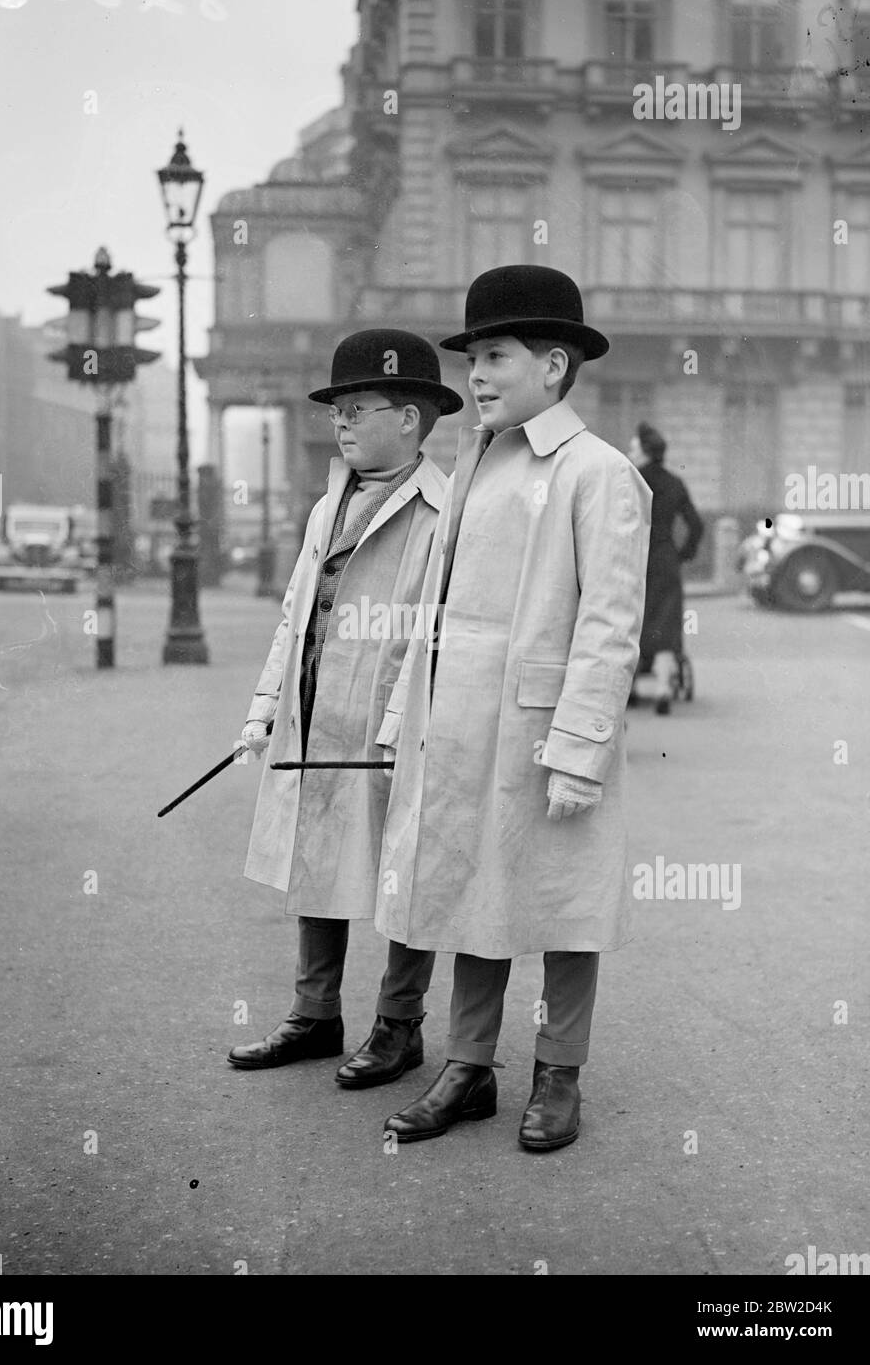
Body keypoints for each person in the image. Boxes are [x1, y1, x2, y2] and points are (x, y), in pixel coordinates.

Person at [374, 266, 651, 1150]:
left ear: (556, 366)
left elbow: (610, 626)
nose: (476, 376)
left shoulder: (598, 473)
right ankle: (468, 1068)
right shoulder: (472, 464)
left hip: (543, 734)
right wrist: (399, 721)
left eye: (495, 355)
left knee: (566, 904)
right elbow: (437, 609)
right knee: (472, 891)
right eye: (471, 358)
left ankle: (560, 1075)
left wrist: (579, 747)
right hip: (457, 729)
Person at [228, 330, 464, 1090]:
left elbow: (432, 636)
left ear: (411, 416)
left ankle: (400, 1027)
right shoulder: (327, 504)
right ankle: (315, 1014)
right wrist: (264, 710)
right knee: (316, 857)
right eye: (338, 409)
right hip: (315, 709)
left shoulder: (443, 512)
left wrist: (400, 729)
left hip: (391, 721)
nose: (341, 422)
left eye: (358, 408)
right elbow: (294, 615)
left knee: (405, 868)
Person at [627, 421, 704, 715]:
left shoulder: (631, 480)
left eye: (633, 447)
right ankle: (662, 688)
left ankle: (630, 687)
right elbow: (696, 524)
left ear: (645, 451)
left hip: (635, 560)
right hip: (665, 561)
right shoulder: (675, 483)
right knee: (665, 627)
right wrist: (683, 554)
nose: (629, 451)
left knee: (632, 623)